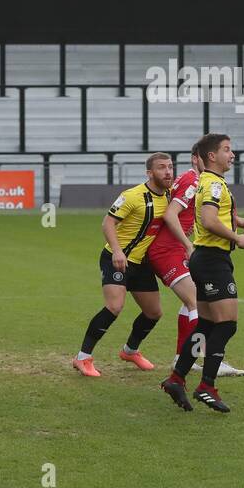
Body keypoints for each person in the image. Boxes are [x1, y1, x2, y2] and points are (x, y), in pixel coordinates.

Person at [160, 133, 244, 413]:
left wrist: (235, 220)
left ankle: (177, 379)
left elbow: (210, 215)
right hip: (212, 260)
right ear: (212, 156)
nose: (232, 154)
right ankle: (206, 386)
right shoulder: (212, 184)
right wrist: (236, 238)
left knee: (206, 326)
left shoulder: (210, 182)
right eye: (227, 150)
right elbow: (209, 220)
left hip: (205, 258)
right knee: (227, 324)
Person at [72, 153, 173, 377]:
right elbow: (108, 223)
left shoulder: (170, 197)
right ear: (149, 173)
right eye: (161, 168)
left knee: (154, 312)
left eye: (170, 167)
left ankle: (130, 351)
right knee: (114, 306)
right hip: (116, 259)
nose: (167, 172)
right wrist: (117, 251)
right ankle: (83, 357)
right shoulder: (132, 196)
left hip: (141, 263)